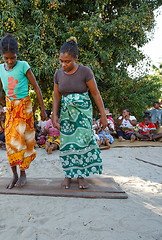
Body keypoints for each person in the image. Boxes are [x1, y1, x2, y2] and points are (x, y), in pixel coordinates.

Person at [52, 37, 107, 189]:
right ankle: (68, 175)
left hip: (83, 115)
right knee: (67, 144)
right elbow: (56, 96)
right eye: (61, 61)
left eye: (67, 61)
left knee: (82, 143)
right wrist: (54, 114)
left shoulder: (85, 72)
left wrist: (103, 116)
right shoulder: (58, 74)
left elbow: (95, 94)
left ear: (76, 58)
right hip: (66, 115)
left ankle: (81, 176)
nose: (63, 64)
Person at [0, 33, 46, 189]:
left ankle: (23, 173)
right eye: (6, 59)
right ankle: (15, 175)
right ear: (2, 56)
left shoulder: (23, 66)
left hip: (24, 107)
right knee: (10, 141)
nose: (10, 62)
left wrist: (43, 109)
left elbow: (36, 88)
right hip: (10, 108)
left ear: (17, 55)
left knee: (23, 141)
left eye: (13, 58)